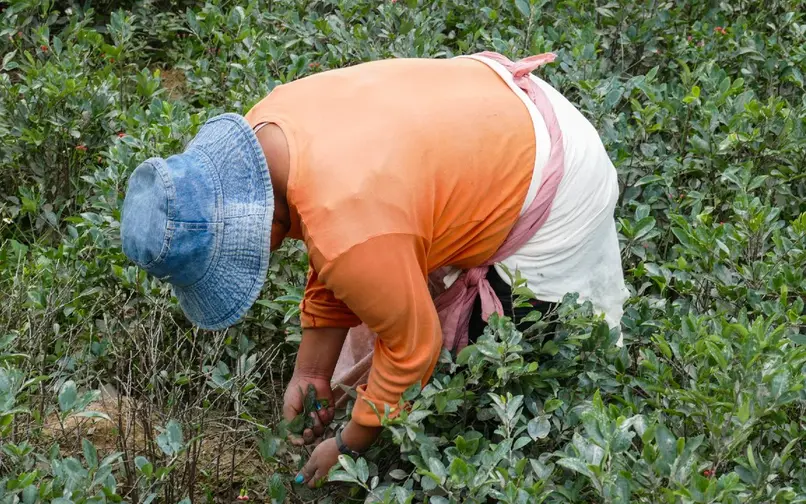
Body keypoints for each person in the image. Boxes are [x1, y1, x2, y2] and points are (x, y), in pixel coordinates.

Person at [119, 51, 630, 488]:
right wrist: (312, 371)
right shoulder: (264, 133)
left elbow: (414, 346)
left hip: (558, 178)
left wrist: (349, 443)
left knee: (493, 360)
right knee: (378, 277)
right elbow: (328, 227)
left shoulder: (351, 227)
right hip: (491, 108)